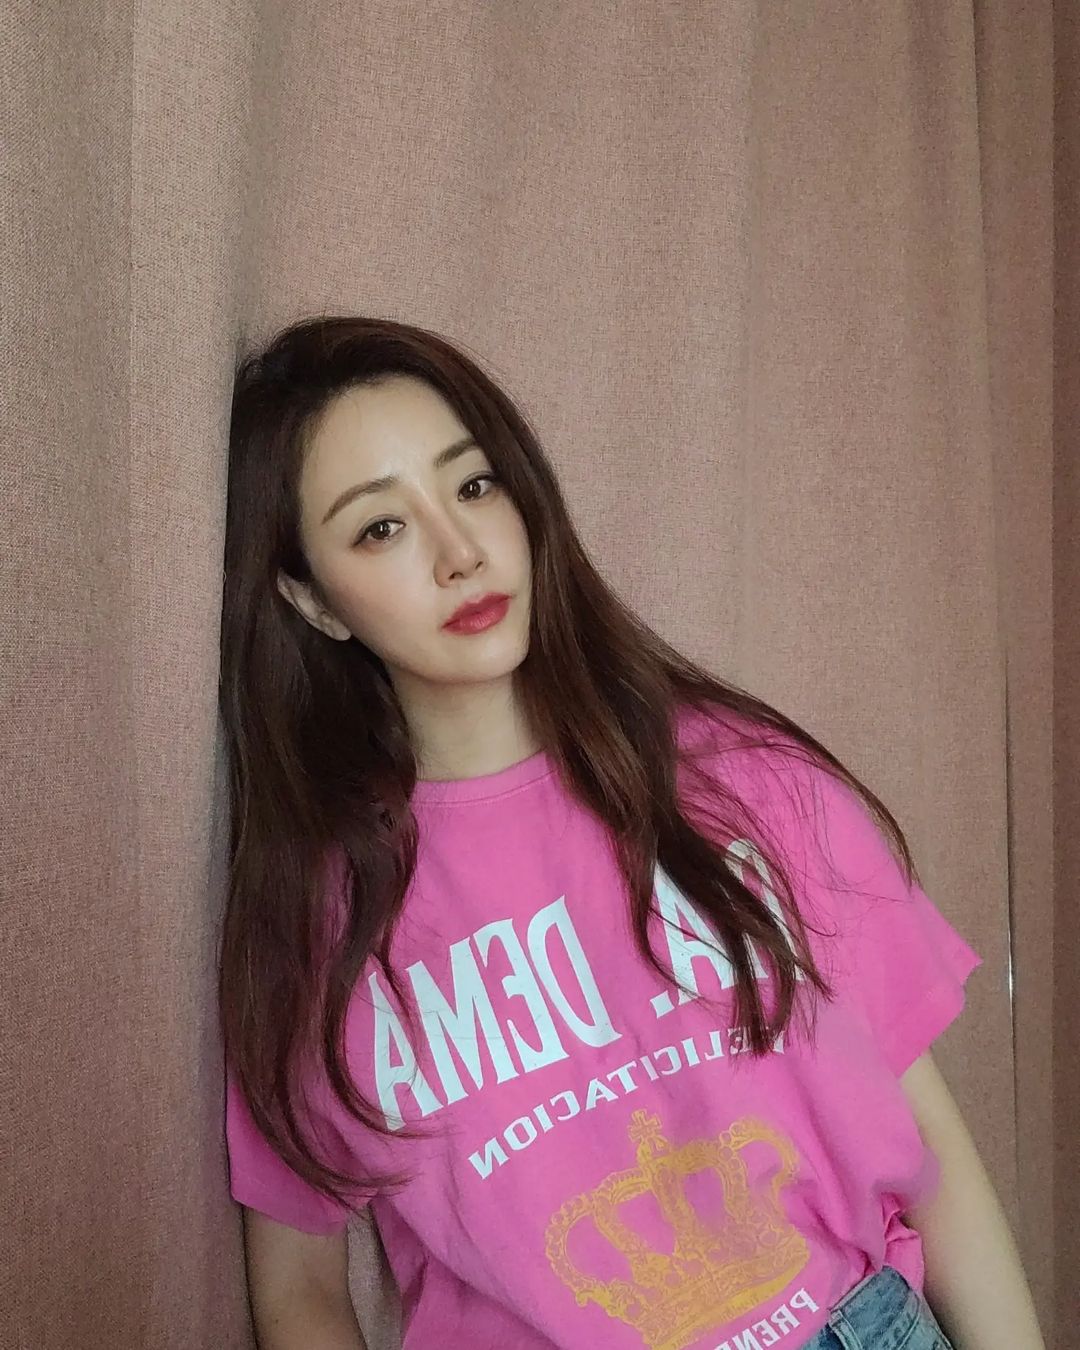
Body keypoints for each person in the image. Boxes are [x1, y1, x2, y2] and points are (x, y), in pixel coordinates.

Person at [218, 315, 1043, 1350]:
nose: (461, 552)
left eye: (474, 485)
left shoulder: (743, 779)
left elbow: (932, 1152)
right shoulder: (317, 917)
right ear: (312, 600)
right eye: (381, 527)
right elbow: (298, 1290)